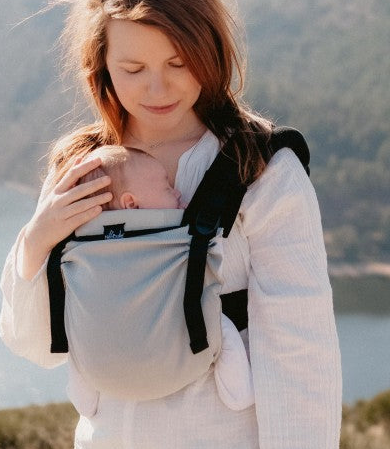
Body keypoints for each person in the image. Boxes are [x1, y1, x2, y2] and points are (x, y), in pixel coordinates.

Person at [0, 0, 341, 449]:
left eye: (179, 63)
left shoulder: (263, 170)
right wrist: (38, 239)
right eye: (133, 67)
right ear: (99, 65)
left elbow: (301, 350)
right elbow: (39, 345)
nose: (158, 87)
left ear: (212, 52)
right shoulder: (83, 168)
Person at [72, 142, 256, 412]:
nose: (178, 192)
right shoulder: (176, 237)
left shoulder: (81, 244)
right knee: (219, 322)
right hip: (179, 357)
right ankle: (239, 393)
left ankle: (83, 398)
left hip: (99, 367)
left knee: (80, 330)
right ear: (131, 204)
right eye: (167, 187)